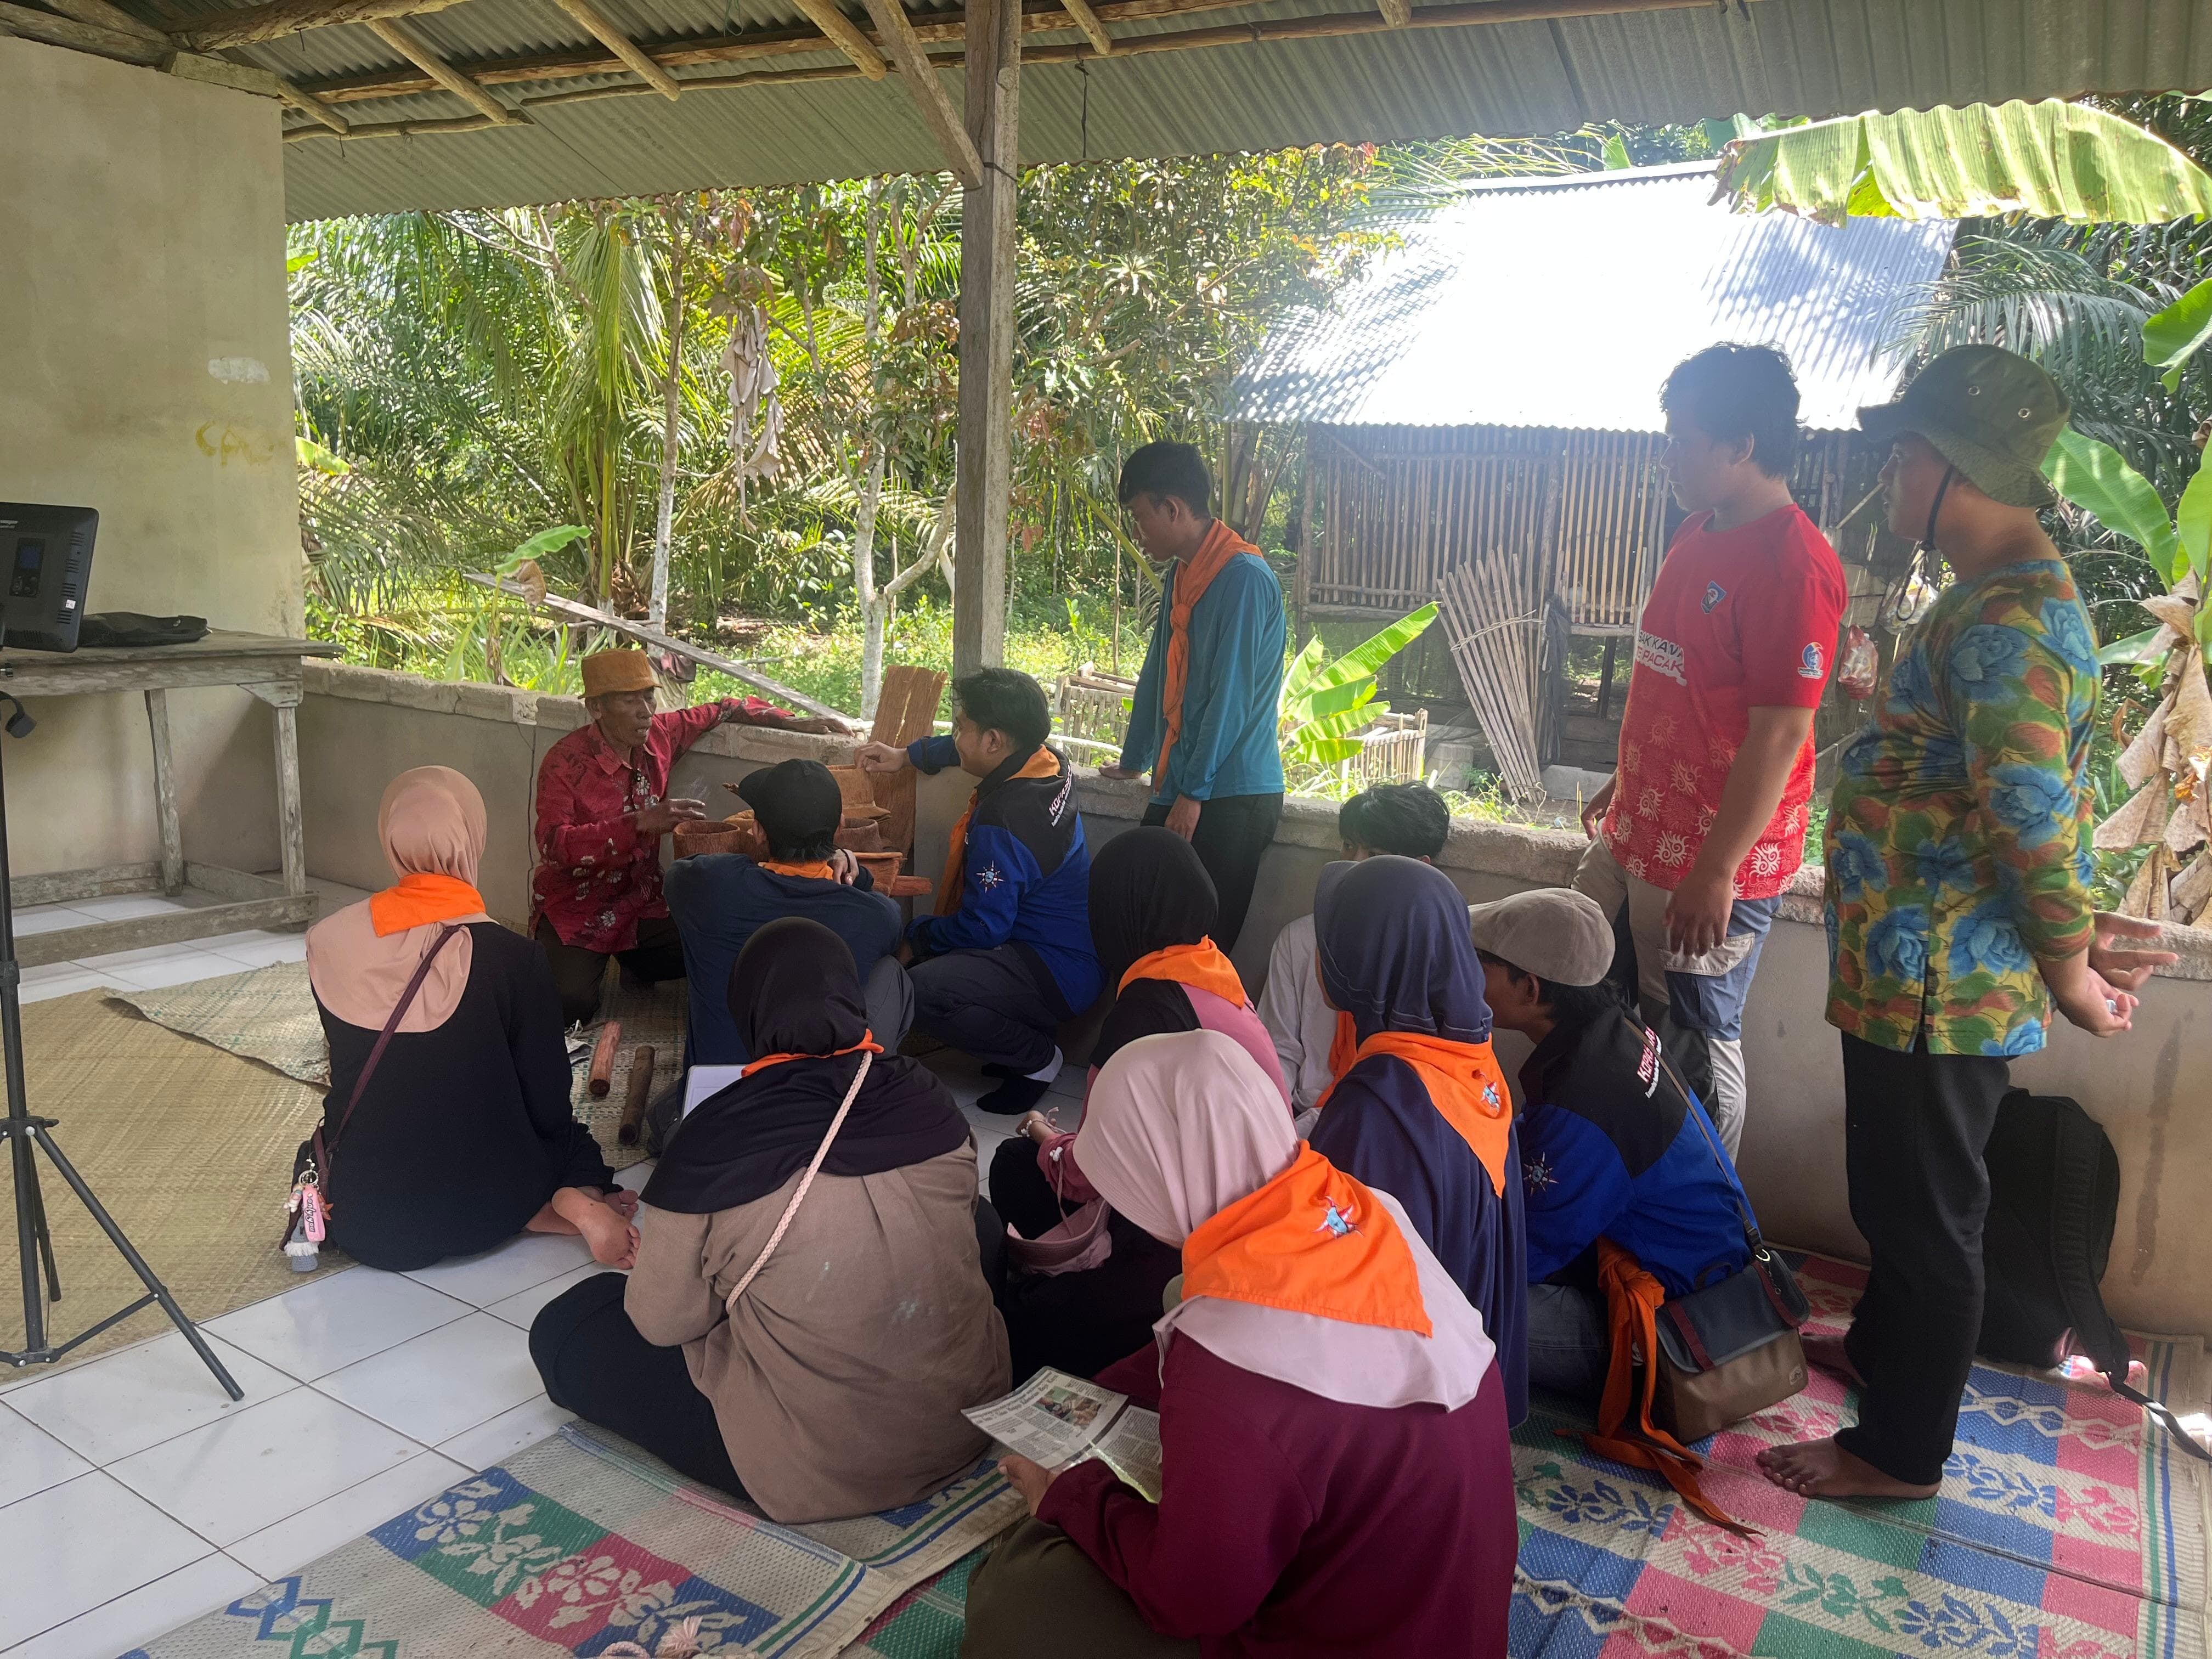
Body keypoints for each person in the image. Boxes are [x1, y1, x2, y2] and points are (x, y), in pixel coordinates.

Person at [1759, 346, 2174, 1502]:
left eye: (1903, 458)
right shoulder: (1993, 602)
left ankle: (1899, 1456)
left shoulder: (2010, 622)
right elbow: (2005, 788)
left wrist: (2074, 973)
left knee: (1930, 1214)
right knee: (1903, 1194)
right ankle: (1886, 1356)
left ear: (1955, 468)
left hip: (1939, 978)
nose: (1891, 480)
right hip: (1915, 969)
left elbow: (2033, 821)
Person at [962, 1029, 1516, 1659]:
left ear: (1156, 1170)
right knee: (1180, 1292)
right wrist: (1103, 1393)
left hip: (1331, 1637)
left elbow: (1188, 1600)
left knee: (1018, 1601)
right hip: (1447, 1624)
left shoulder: (1233, 1363)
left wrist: (1066, 1497)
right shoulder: (1360, 1207)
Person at [528, 918, 1010, 1522]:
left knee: (567, 1328)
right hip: (965, 1425)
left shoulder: (717, 1135)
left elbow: (662, 1322)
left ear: (748, 1010)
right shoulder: (927, 1097)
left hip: (821, 1467)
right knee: (982, 1225)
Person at [1573, 344, 1849, 1159]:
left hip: (1710, 855)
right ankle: (1616, 1178)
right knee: (1602, 998)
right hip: (1639, 830)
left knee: (1692, 1033)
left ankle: (1708, 1213)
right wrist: (1626, 780)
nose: (1668, 456)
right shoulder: (1698, 532)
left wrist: (1716, 870)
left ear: (1742, 447)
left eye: (1681, 439)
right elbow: (1682, 683)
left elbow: (1781, 733)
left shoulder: (1794, 568)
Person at [303, 766, 639, 1274]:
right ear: (471, 840)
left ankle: (546, 1204)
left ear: (389, 838)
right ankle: (564, 1201)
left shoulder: (326, 941)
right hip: (490, 1208)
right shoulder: (514, 958)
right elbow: (547, 1102)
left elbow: (351, 1067)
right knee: (573, 1141)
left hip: (363, 1217)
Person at [991, 828, 1289, 1381]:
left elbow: (1088, 1177)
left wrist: (1040, 1134)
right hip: (1258, 1213)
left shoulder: (1144, 1011)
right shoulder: (1211, 968)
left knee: (1024, 1310)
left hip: (1184, 1245)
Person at [1469, 887, 1754, 1402]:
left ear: (1530, 989)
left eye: (1478, 963)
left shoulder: (1585, 1103)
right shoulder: (1617, 1027)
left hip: (1674, 1326)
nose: (1462, 976)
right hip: (1702, 1271)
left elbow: (1524, 1257)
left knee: (1450, 1305)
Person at [1308, 854, 1527, 1425]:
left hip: (1404, 1412)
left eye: (1330, 941)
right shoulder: (1470, 1062)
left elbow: (1338, 1299)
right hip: (1471, 1388)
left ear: (1362, 961)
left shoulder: (1377, 1110)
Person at [531, 646, 842, 1028]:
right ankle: (580, 959)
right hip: (577, 907)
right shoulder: (565, 762)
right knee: (569, 1004)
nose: (646, 710)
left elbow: (723, 708)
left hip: (641, 900)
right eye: (631, 701)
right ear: (597, 708)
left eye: (649, 696)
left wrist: (788, 721)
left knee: (721, 942)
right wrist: (639, 823)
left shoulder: (659, 736)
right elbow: (553, 844)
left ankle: (638, 963)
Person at [859, 669, 1099, 1114]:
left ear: (993, 741)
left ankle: (1038, 1059)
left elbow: (984, 928)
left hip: (1052, 968)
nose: (956, 738)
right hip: (1070, 953)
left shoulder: (1003, 822)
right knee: (936, 950)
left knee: (923, 988)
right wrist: (906, 755)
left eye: (961, 728)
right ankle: (1025, 1039)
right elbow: (965, 752)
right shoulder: (1047, 763)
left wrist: (918, 936)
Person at [1098, 442, 1288, 952]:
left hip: (1230, 795)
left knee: (1200, 949)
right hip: (1182, 782)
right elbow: (1157, 672)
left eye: (1141, 516)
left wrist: (1194, 792)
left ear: (1174, 509)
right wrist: (1135, 758)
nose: (1138, 531)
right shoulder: (1183, 574)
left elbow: (1232, 696)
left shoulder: (1244, 579)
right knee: (1142, 929)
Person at [664, 757, 907, 1065]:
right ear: (840, 828)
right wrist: (852, 867)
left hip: (719, 1093)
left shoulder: (709, 887)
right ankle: (863, 1074)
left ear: (758, 831)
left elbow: (678, 873)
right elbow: (877, 905)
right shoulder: (876, 916)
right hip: (821, 1092)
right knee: (893, 972)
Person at [1257, 782, 1451, 1115]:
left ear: (1421, 868)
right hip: (1298, 1116)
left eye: (1375, 856)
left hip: (1381, 1121)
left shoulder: (1433, 959)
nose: (1354, 865)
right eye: (1348, 846)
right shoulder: (1302, 939)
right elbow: (1279, 1049)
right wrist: (1272, 1121)